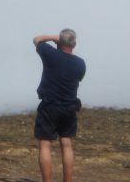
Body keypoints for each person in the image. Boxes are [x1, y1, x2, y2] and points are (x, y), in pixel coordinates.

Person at [33, 29, 86, 182]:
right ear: (74, 44)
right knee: (66, 144)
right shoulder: (80, 63)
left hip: (50, 106)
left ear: (60, 42)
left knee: (45, 144)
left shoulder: (50, 54)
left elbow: (36, 39)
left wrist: (52, 38)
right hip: (69, 107)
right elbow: (78, 77)